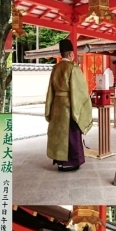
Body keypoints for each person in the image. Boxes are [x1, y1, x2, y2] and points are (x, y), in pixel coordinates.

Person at [44, 38, 93, 172]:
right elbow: (80, 91)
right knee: (71, 133)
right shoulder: (73, 67)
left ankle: (60, 162)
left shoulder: (55, 68)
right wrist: (83, 105)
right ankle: (71, 162)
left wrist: (49, 108)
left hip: (56, 105)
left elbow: (50, 90)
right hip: (70, 105)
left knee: (59, 134)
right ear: (71, 54)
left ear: (61, 54)